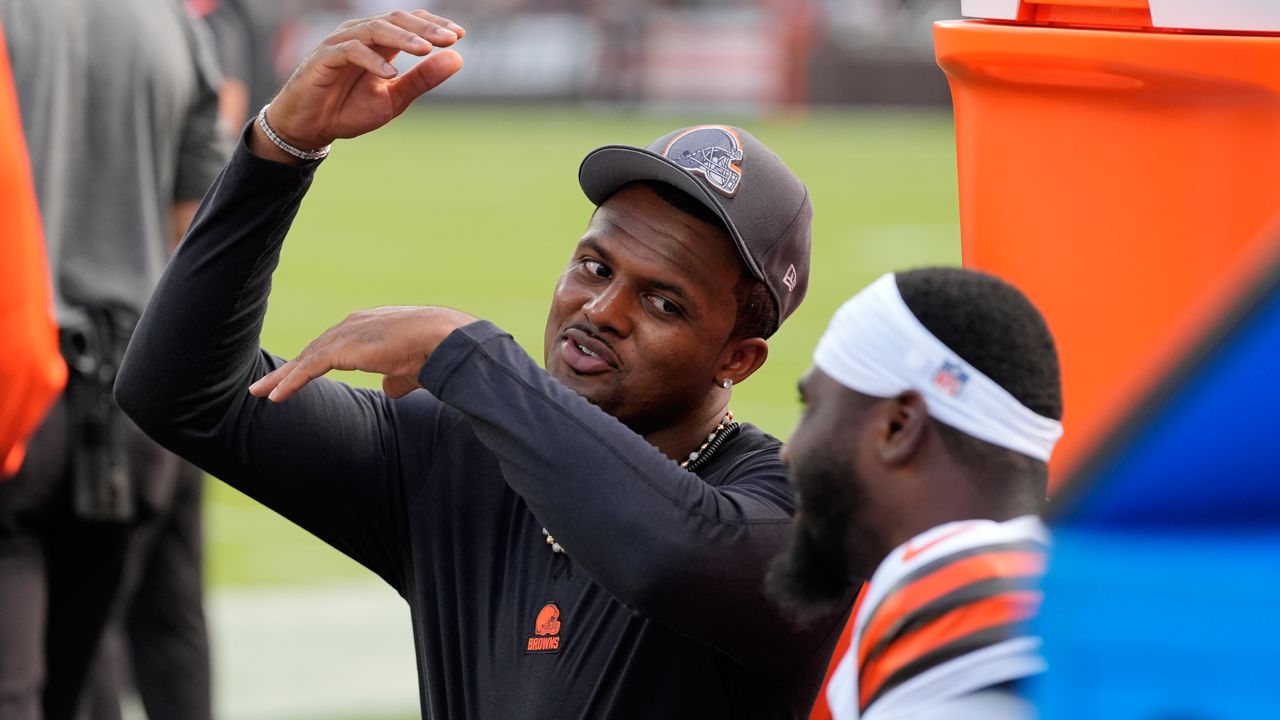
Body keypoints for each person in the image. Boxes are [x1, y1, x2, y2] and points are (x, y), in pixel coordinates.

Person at [115, 8, 854, 718]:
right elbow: (180, 392)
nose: (601, 310)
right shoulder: (453, 454)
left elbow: (667, 556)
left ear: (740, 358)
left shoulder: (794, 516)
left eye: (664, 304)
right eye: (595, 267)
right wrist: (280, 150)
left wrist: (466, 354)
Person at [0, 1, 227, 718]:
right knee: (80, 682)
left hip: (17, 389)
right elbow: (196, 230)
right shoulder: (168, 20)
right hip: (132, 401)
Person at [768, 268, 1064, 719]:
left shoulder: (957, 594)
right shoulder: (1071, 581)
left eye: (811, 408)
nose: (788, 451)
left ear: (898, 426)